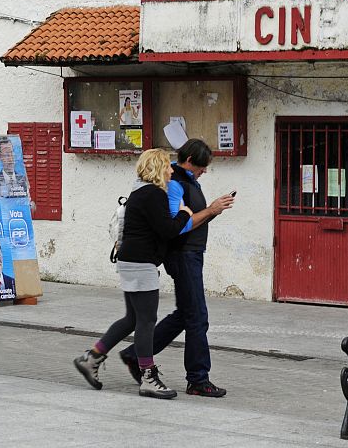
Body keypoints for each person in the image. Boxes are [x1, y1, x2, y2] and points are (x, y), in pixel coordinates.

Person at [118, 139, 235, 398]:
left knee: (186, 314)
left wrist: (212, 210)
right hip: (182, 255)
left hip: (191, 254)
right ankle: (198, 379)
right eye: (202, 167)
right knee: (197, 317)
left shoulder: (186, 180)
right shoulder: (174, 184)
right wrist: (211, 210)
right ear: (190, 160)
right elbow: (175, 226)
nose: (205, 171)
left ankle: (134, 355)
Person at [74, 148, 192, 399]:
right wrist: (185, 213)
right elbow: (168, 230)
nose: (172, 170)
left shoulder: (140, 191)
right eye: (168, 167)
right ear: (158, 168)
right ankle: (148, 376)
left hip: (131, 259)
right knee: (147, 321)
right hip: (141, 263)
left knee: (132, 319)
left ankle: (91, 358)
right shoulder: (153, 194)